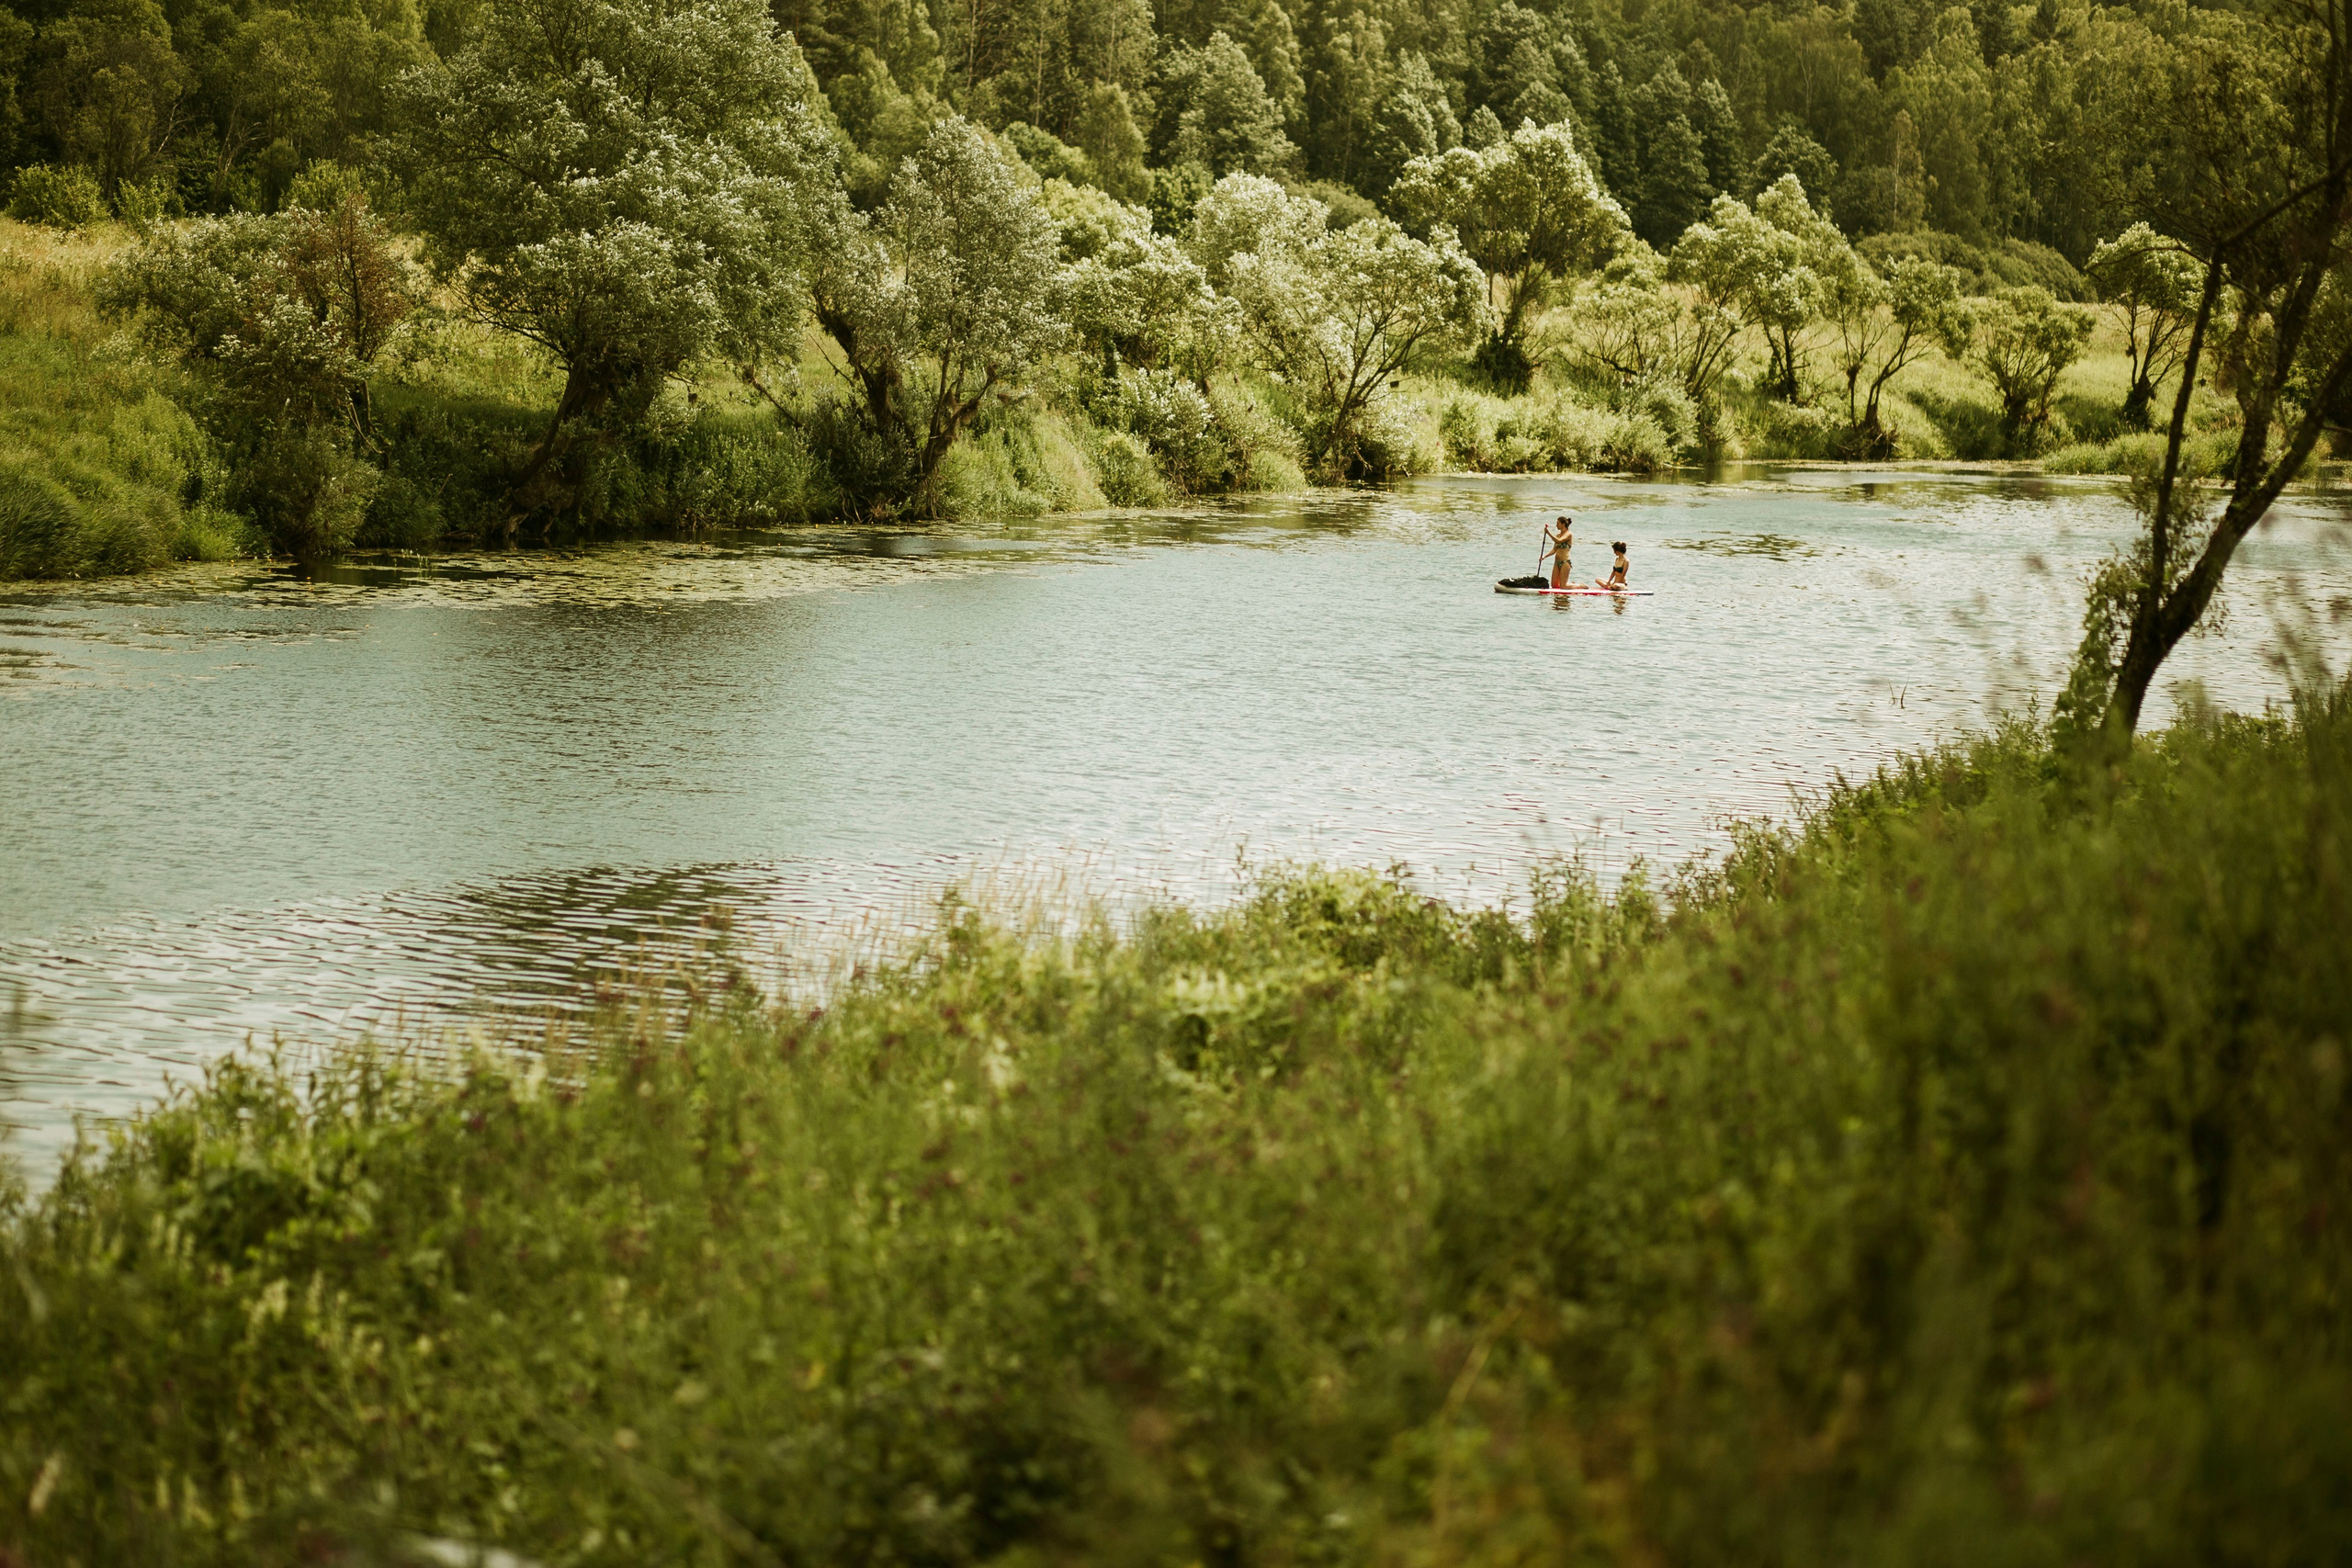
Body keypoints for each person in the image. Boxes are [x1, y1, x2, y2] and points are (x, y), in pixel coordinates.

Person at [1545, 516, 1574, 590]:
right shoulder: (1558, 535)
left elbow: (1558, 541)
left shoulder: (1569, 534)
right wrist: (1544, 557)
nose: (1556, 525)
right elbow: (1554, 550)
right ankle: (1569, 584)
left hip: (1565, 562)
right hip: (1557, 562)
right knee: (1554, 585)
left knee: (1563, 587)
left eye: (1558, 523)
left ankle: (1580, 586)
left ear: (1563, 524)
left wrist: (1548, 533)